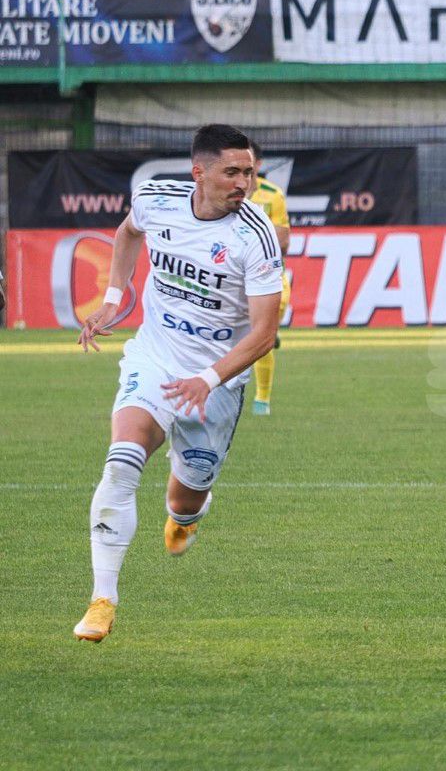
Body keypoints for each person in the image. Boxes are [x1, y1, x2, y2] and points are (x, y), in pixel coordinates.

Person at [73, 124, 283, 642]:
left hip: (217, 378)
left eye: (250, 172)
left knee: (186, 496)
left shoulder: (255, 237)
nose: (244, 182)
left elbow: (265, 334)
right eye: (232, 172)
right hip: (155, 357)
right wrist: (113, 297)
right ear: (200, 172)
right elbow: (127, 233)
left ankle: (187, 515)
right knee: (122, 462)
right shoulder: (155, 200)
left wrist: (208, 379)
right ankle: (102, 600)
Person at [248, 140, 292, 416]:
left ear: (258, 164)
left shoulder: (272, 196)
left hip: (268, 275)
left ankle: (262, 399)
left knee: (262, 332)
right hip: (231, 278)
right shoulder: (222, 195)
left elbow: (283, 242)